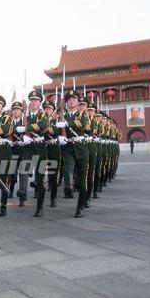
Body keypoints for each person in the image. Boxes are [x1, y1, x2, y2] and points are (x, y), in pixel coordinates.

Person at [61, 90, 91, 218]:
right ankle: (68, 186)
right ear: (67, 102)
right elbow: (55, 127)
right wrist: (58, 136)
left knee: (83, 179)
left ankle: (80, 207)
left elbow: (82, 124)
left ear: (78, 102)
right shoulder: (61, 115)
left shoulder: (82, 114)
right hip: (68, 148)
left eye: (74, 99)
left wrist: (67, 124)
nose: (71, 101)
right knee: (68, 169)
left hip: (81, 147)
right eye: (69, 99)